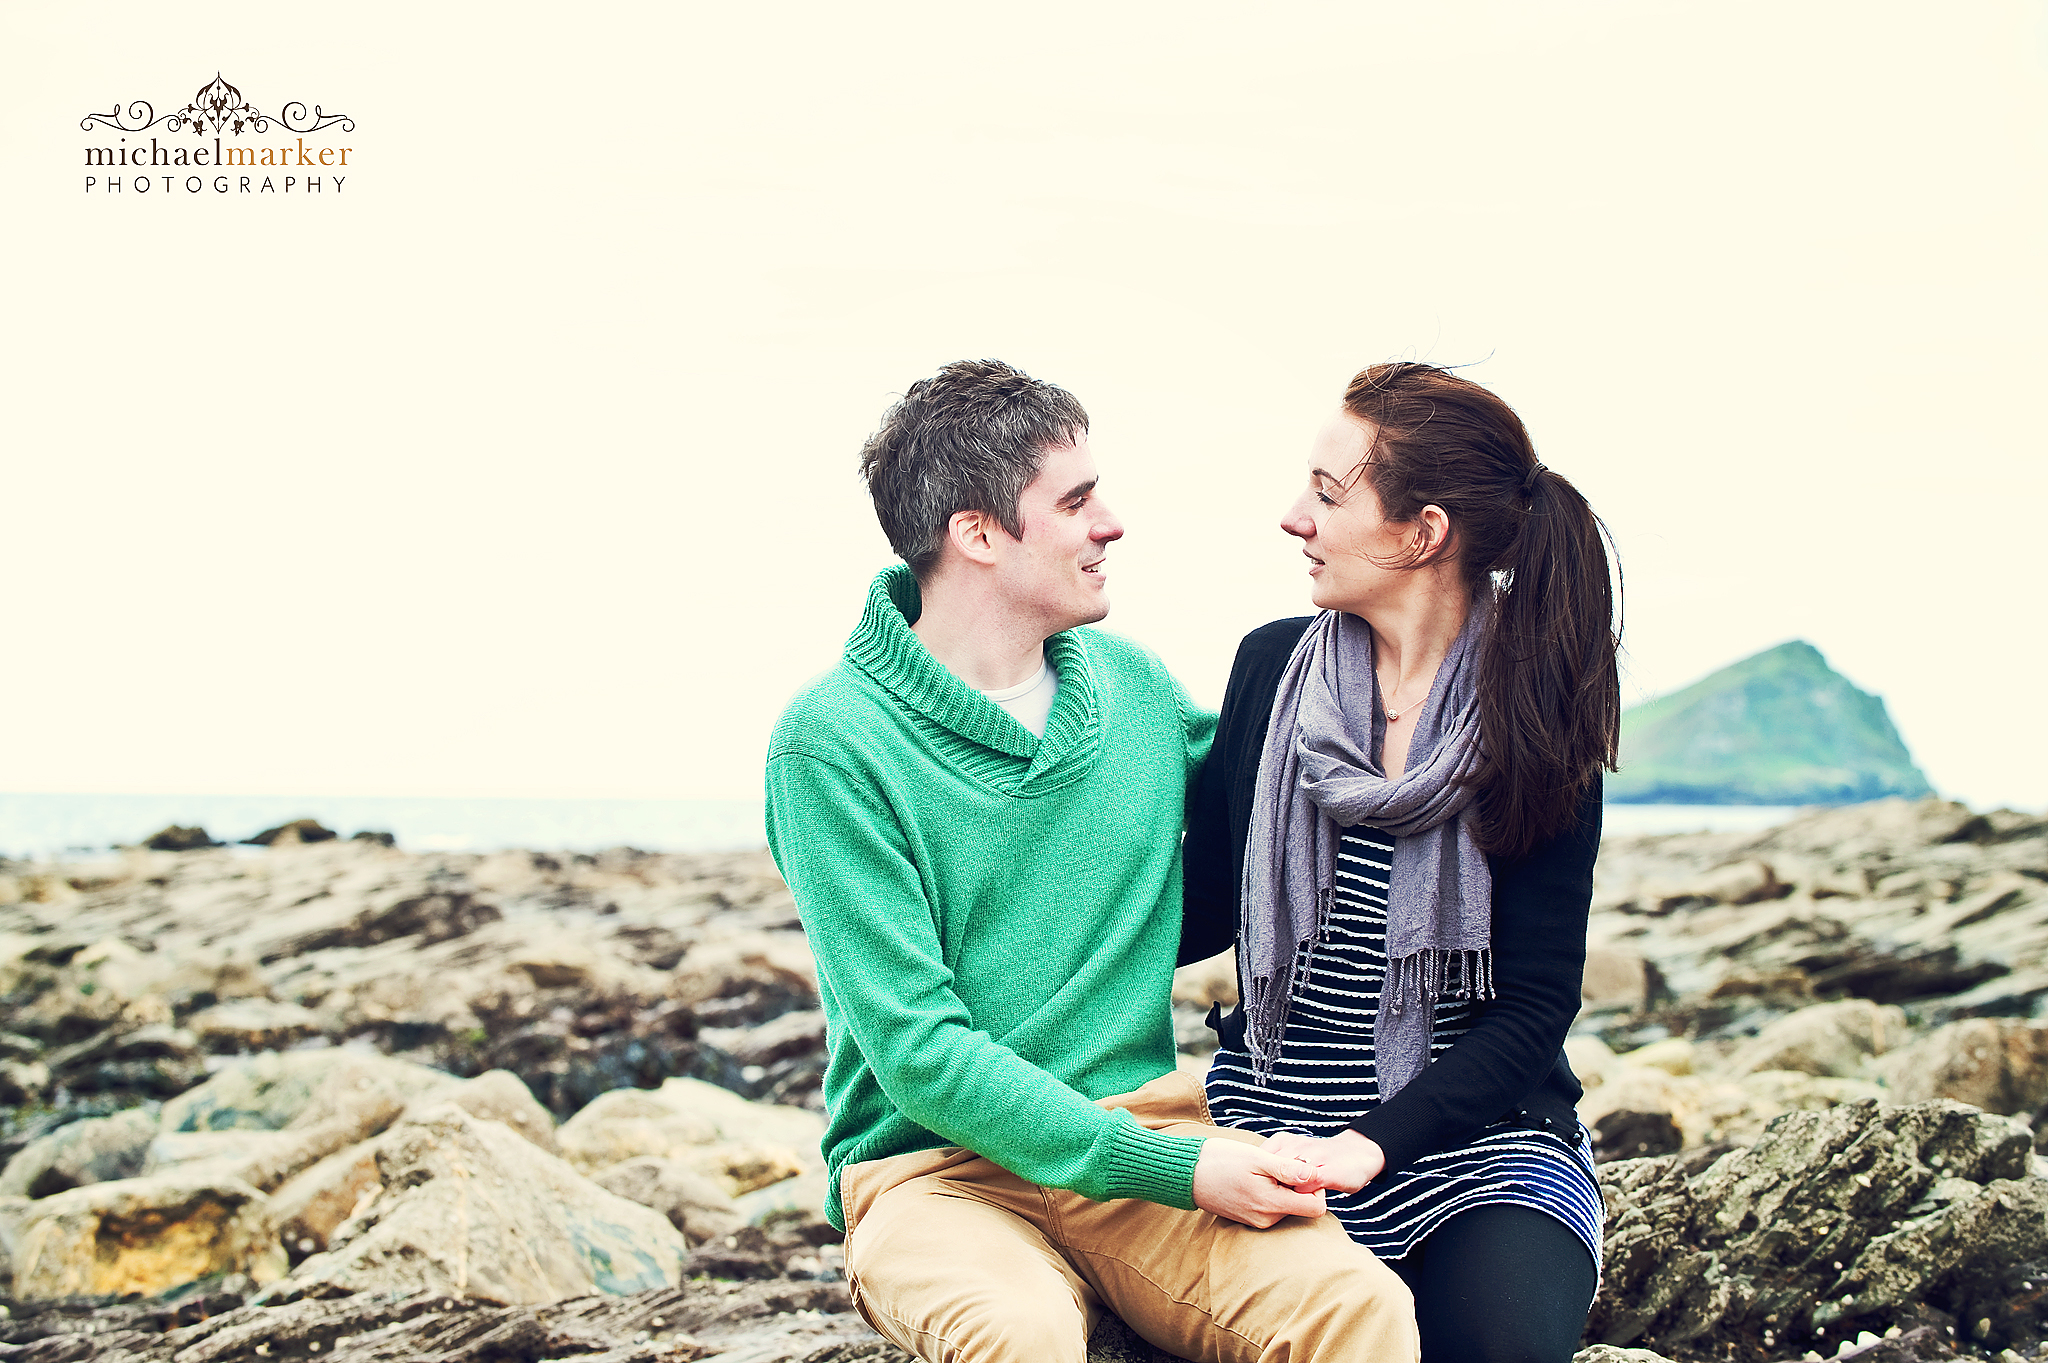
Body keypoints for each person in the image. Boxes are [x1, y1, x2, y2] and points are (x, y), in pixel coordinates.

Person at [765, 359, 1419, 1363]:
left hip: (1143, 1129)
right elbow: (916, 1051)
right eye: (1074, 501)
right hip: (931, 1169)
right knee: (1021, 1335)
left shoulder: (1133, 688)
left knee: (1357, 1308)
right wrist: (1175, 1169)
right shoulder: (832, 743)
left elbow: (1292, 810)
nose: (1108, 522)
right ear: (977, 534)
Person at [1181, 361, 1619, 1363]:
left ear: (1420, 533)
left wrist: (1371, 1145)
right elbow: (1198, 911)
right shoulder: (1269, 669)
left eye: (1329, 494)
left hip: (1478, 1149)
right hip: (1269, 1128)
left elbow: (1532, 1007)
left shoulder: (1536, 719)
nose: (1295, 517)